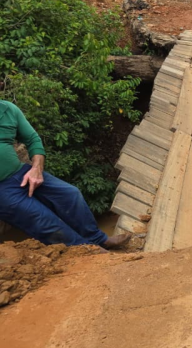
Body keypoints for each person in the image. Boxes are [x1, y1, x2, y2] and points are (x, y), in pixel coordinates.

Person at [0, 100, 131, 249]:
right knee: (42, 219)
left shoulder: (8, 109)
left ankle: (99, 239)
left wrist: (36, 168)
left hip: (21, 172)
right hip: (2, 189)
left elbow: (32, 139)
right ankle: (86, 250)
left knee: (70, 194)